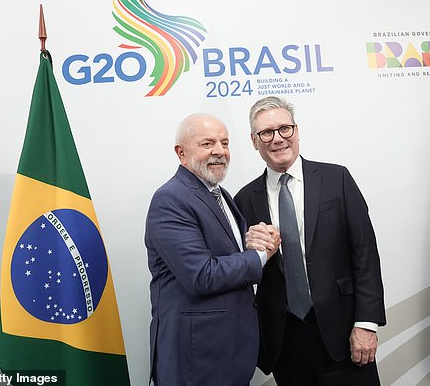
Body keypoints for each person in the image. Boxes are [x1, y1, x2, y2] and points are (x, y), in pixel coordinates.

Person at [234, 96, 386, 386]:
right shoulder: (244, 199)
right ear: (254, 141)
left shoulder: (336, 179)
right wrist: (247, 247)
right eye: (266, 132)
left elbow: (365, 254)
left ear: (297, 131)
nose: (277, 138)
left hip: (345, 335)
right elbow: (241, 270)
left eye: (284, 128)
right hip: (285, 343)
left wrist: (366, 324)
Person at [144, 113, 280, 386]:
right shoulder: (170, 199)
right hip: (198, 360)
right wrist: (261, 254)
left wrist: (252, 238)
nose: (219, 151)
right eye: (207, 144)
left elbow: (220, 247)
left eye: (225, 143)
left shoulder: (218, 193)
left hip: (226, 353)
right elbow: (201, 275)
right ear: (181, 153)